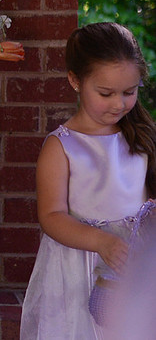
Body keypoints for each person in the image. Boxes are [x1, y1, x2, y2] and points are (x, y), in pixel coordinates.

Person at [20, 22, 156, 339]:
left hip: (130, 264)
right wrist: (101, 242)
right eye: (106, 93)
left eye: (129, 92)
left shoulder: (139, 136)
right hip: (79, 269)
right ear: (75, 81)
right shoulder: (62, 147)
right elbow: (51, 216)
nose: (119, 104)